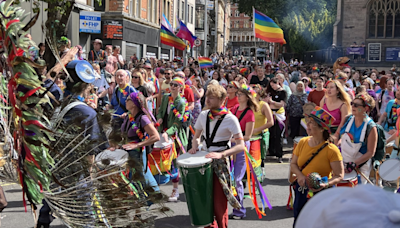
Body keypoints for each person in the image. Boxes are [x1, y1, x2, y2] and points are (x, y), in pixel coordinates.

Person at [188, 84, 245, 227]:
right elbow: (196, 137)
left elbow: (241, 145)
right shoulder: (203, 115)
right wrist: (194, 146)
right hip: (204, 161)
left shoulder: (230, 119)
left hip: (220, 162)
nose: (207, 100)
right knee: (205, 201)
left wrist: (222, 155)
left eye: (212, 98)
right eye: (207, 96)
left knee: (219, 203)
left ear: (222, 100)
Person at [290, 106, 344, 225]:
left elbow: (339, 175)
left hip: (322, 192)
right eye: (308, 122)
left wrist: (325, 184)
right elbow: (293, 164)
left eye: (312, 123)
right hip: (302, 189)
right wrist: (299, 175)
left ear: (321, 129)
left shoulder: (332, 150)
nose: (307, 125)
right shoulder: (303, 142)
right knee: (300, 220)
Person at [117, 92, 161, 192]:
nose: (125, 101)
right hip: (129, 151)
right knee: (135, 178)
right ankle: (142, 200)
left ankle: (154, 197)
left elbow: (156, 136)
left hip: (138, 153)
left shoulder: (143, 118)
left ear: (133, 103)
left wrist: (137, 145)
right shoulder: (129, 116)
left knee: (144, 177)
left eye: (128, 99)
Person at [157, 77, 188, 201]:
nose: (173, 86)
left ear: (180, 88)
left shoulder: (181, 102)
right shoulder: (166, 97)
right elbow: (160, 111)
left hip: (175, 136)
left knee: (174, 162)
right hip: (163, 131)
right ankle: (157, 189)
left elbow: (178, 123)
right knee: (160, 160)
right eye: (171, 84)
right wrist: (159, 118)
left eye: (176, 85)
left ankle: (175, 189)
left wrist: (168, 133)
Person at [229, 84, 258, 219]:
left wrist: (233, 139)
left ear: (247, 97)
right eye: (238, 94)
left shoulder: (250, 113)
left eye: (240, 94)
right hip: (230, 146)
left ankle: (240, 210)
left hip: (241, 147)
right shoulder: (234, 109)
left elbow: (247, 136)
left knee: (237, 179)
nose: (237, 96)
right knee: (229, 178)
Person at [337, 93, 377, 184]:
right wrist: (338, 143)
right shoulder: (347, 119)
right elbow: (338, 135)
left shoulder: (371, 127)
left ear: (366, 108)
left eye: (356, 105)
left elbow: (371, 152)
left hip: (360, 166)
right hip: (343, 161)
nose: (353, 106)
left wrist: (354, 164)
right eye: (352, 104)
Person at [252, 84, 274, 179]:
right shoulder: (248, 106)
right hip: (250, 136)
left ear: (259, 94)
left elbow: (271, 122)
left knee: (260, 156)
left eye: (255, 92)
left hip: (261, 135)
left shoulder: (263, 105)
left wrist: (258, 129)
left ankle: (261, 171)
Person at [266, 78, 287, 163]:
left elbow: (281, 104)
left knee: (278, 135)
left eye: (273, 85)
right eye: (271, 85)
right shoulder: (270, 92)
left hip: (279, 115)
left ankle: (279, 154)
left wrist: (272, 102)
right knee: (270, 134)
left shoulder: (283, 92)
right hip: (271, 113)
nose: (273, 87)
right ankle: (271, 151)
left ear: (278, 83)